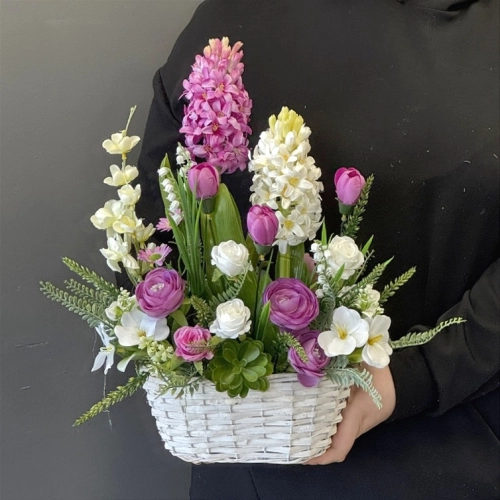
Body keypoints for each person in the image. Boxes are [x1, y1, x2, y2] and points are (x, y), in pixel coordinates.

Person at [134, 0, 499, 498]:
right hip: (262, 453)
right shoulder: (227, 29)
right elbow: (153, 246)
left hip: (462, 442)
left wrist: (418, 373)